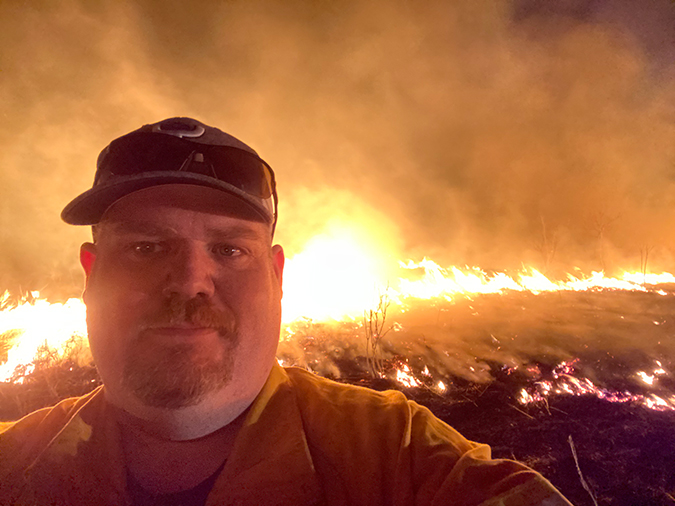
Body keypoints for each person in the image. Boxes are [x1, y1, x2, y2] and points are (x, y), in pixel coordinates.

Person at [0, 118, 573, 505]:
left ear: (275, 278)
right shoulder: (13, 465)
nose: (191, 281)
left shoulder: (395, 459)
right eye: (147, 247)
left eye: (229, 250)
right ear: (92, 273)